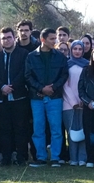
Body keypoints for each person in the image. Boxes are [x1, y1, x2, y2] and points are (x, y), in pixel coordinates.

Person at [0, 27, 30, 165]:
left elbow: (25, 72)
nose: (6, 40)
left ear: (14, 38)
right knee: (4, 130)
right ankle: (6, 158)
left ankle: (21, 158)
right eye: (3, 38)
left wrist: (12, 86)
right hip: (1, 98)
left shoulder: (24, 54)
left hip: (19, 98)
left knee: (20, 129)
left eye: (8, 37)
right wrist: (1, 86)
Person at [26, 28, 68, 168]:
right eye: (51, 38)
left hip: (55, 97)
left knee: (56, 129)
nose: (55, 41)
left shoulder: (60, 56)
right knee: (38, 129)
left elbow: (64, 75)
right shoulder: (31, 56)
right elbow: (28, 76)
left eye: (55, 38)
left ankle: (55, 158)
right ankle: (41, 157)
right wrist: (41, 88)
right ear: (42, 40)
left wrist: (53, 88)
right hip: (36, 98)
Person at [62, 39, 88, 167]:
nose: (77, 52)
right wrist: (73, 102)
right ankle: (73, 158)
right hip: (68, 103)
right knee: (71, 131)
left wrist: (84, 100)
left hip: (84, 103)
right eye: (75, 49)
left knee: (83, 130)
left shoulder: (87, 65)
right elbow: (65, 86)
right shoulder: (66, 64)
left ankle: (82, 158)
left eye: (80, 49)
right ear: (71, 50)